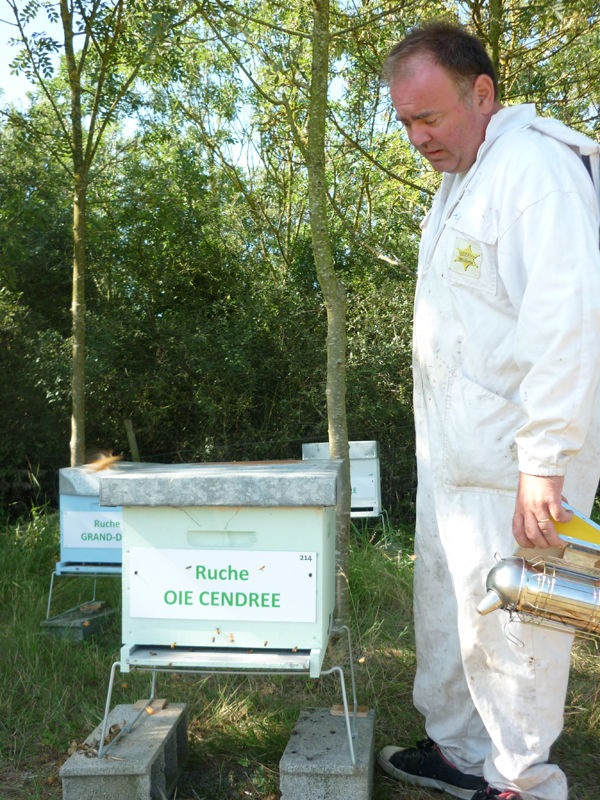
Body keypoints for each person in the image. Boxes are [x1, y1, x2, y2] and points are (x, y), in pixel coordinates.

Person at [377, 20, 600, 800]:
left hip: (516, 466)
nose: (415, 137)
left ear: (482, 93)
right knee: (450, 619)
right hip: (457, 459)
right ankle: (461, 755)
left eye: (428, 117)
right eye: (405, 121)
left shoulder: (536, 172)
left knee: (518, 632)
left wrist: (544, 465)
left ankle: (521, 782)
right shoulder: (463, 178)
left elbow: (568, 326)